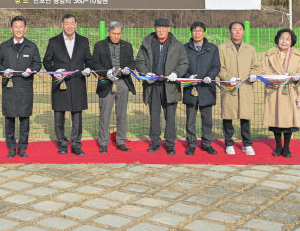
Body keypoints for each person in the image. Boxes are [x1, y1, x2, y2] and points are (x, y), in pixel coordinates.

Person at [135, 18, 189, 155]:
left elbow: (184, 63)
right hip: (153, 86)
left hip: (170, 86)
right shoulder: (147, 43)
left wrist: (176, 73)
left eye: (164, 28)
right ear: (155, 28)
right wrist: (146, 73)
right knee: (154, 116)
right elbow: (139, 61)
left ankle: (170, 144)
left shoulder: (177, 45)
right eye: (158, 27)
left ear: (169, 29)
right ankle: (155, 143)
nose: (161, 30)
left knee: (170, 116)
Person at [42, 14, 93, 155]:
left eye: (72, 23)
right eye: (66, 23)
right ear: (62, 25)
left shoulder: (83, 41)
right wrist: (54, 72)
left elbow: (89, 60)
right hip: (60, 82)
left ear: (76, 25)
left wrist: (88, 69)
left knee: (77, 115)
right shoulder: (54, 41)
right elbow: (46, 61)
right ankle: (62, 143)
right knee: (59, 114)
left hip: (78, 82)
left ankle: (76, 144)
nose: (69, 26)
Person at [0, 16, 42, 158]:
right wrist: (3, 71)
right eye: (16, 26)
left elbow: (38, 63)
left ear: (25, 29)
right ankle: (11, 147)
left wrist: (31, 70)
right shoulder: (4, 46)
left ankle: (22, 147)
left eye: (21, 27)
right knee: (9, 118)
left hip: (25, 87)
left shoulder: (32, 46)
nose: (18, 29)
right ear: (11, 29)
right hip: (9, 87)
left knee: (25, 118)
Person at [261, 28, 300, 158]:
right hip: (274, 91)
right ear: (277, 39)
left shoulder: (298, 56)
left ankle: (286, 148)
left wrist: (296, 77)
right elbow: (263, 71)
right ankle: (277, 147)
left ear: (292, 41)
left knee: (289, 121)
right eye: (282, 38)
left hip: (290, 92)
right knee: (276, 120)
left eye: (287, 39)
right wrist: (274, 79)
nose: (284, 41)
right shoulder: (269, 54)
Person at [90, 21, 136, 153]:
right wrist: (106, 73)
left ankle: (121, 141)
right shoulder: (99, 46)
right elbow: (95, 63)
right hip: (106, 81)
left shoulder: (127, 46)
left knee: (121, 113)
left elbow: (132, 62)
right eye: (114, 33)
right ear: (108, 32)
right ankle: (104, 142)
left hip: (122, 82)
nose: (116, 36)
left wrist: (129, 68)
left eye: (119, 34)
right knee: (105, 113)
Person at [217, 21, 260, 155]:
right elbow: (219, 67)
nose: (237, 32)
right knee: (228, 116)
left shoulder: (250, 48)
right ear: (230, 32)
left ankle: (247, 144)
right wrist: (227, 77)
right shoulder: (222, 48)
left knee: (245, 117)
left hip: (245, 87)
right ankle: (229, 143)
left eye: (240, 29)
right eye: (234, 29)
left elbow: (255, 66)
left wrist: (254, 75)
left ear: (244, 32)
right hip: (229, 87)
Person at [183, 22, 220, 155]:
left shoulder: (212, 48)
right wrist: (188, 76)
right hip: (191, 89)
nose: (197, 33)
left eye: (199, 31)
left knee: (207, 120)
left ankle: (206, 144)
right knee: (190, 119)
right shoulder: (184, 48)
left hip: (206, 88)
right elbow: (181, 65)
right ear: (191, 33)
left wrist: (210, 76)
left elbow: (216, 66)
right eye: (194, 31)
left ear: (204, 33)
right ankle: (191, 144)